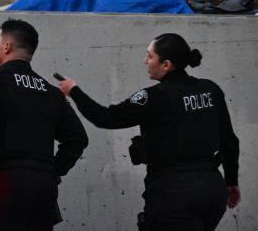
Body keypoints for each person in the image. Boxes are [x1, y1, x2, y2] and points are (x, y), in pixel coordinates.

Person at [59, 33, 240, 231]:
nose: (145, 61)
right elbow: (230, 142)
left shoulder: (153, 97)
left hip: (174, 193)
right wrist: (231, 182)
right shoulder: (210, 89)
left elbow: (105, 117)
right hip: (213, 188)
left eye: (150, 56)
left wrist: (73, 91)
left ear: (166, 65)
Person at [0, 18, 88, 231]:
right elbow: (78, 138)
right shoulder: (52, 93)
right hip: (43, 189)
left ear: (6, 46)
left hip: (4, 184)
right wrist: (54, 170)